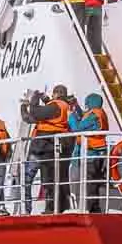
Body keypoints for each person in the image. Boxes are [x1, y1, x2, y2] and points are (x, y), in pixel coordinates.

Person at [27, 85, 76, 214]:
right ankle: (60, 207)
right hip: (56, 145)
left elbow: (36, 113)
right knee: (58, 178)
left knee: (49, 179)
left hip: (47, 146)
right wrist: (46, 100)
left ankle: (51, 208)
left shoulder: (56, 105)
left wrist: (34, 99)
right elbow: (51, 113)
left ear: (56, 94)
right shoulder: (63, 105)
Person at [72, 93, 111, 213]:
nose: (86, 105)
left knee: (89, 181)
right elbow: (84, 117)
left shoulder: (94, 115)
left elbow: (77, 127)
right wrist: (75, 106)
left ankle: (90, 208)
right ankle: (94, 207)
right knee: (93, 181)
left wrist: (70, 116)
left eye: (87, 103)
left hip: (91, 154)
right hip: (98, 153)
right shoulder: (99, 113)